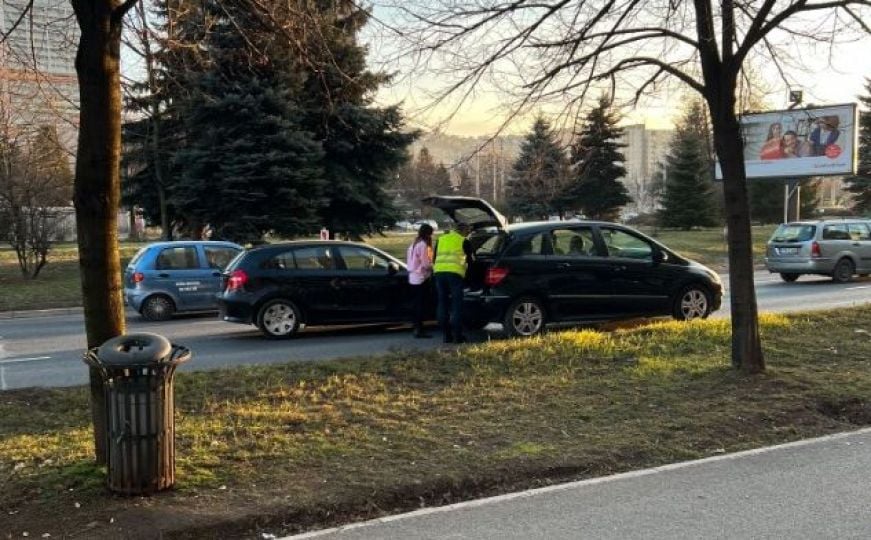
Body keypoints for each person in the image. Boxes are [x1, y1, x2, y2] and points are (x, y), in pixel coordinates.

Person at [432, 222, 473, 343]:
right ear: (464, 230)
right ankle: (457, 337)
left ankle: (446, 336)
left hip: (439, 273)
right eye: (468, 231)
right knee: (456, 305)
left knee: (442, 303)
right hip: (454, 275)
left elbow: (434, 258)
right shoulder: (463, 241)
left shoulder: (441, 239)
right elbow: (471, 262)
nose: (468, 233)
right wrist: (468, 278)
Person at [406, 223, 434, 338]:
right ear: (428, 233)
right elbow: (426, 263)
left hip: (413, 277)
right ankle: (419, 330)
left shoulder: (413, 243)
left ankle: (416, 327)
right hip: (421, 277)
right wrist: (434, 266)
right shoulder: (423, 245)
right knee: (421, 305)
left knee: (416, 304)